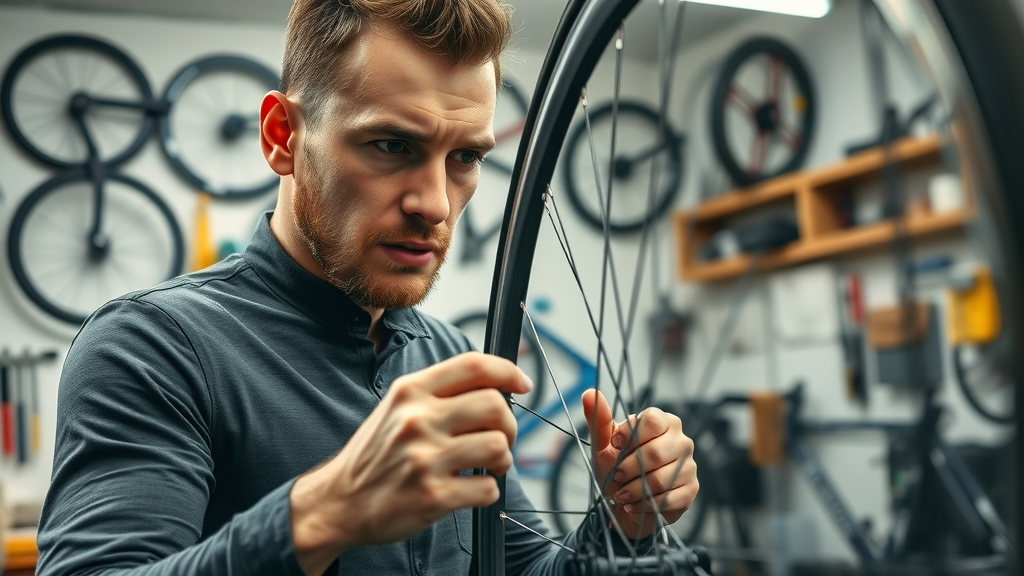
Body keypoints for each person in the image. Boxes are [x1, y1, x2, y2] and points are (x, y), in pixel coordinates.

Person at [36, 1, 698, 574]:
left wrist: (620, 522)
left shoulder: (451, 357)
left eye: (465, 157)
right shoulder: (150, 347)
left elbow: (521, 568)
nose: (436, 203)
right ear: (282, 137)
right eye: (390, 145)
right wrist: (323, 514)